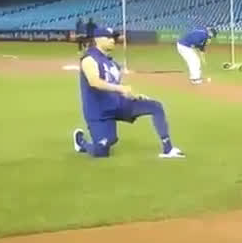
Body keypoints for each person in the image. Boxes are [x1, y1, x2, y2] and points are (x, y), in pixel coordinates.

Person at [72, 26, 184, 159]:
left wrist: (134, 96)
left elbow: (115, 85)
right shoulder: (89, 59)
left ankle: (168, 149)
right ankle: (81, 142)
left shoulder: (112, 63)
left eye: (113, 38)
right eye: (108, 38)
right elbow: (94, 82)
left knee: (155, 106)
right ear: (98, 39)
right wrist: (120, 89)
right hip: (98, 111)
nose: (113, 40)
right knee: (102, 150)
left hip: (118, 104)